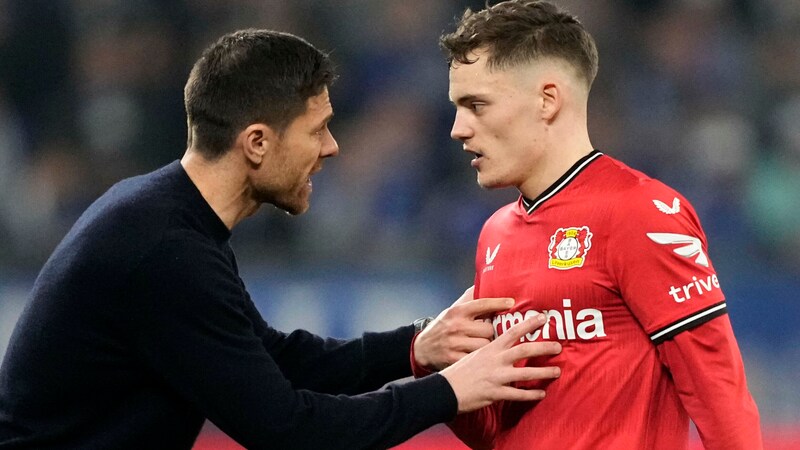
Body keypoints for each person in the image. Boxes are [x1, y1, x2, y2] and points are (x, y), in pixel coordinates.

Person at [0, 29, 564, 449]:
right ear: (256, 143)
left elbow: (272, 358)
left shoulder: (167, 217)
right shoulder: (165, 251)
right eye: (316, 130)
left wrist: (413, 348)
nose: (332, 147)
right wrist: (449, 390)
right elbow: (290, 430)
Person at [415, 1, 763, 448]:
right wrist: (435, 367)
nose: (458, 129)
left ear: (547, 99)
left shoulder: (641, 212)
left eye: (477, 105)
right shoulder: (495, 235)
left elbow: (719, 394)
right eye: (458, 107)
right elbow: (497, 435)